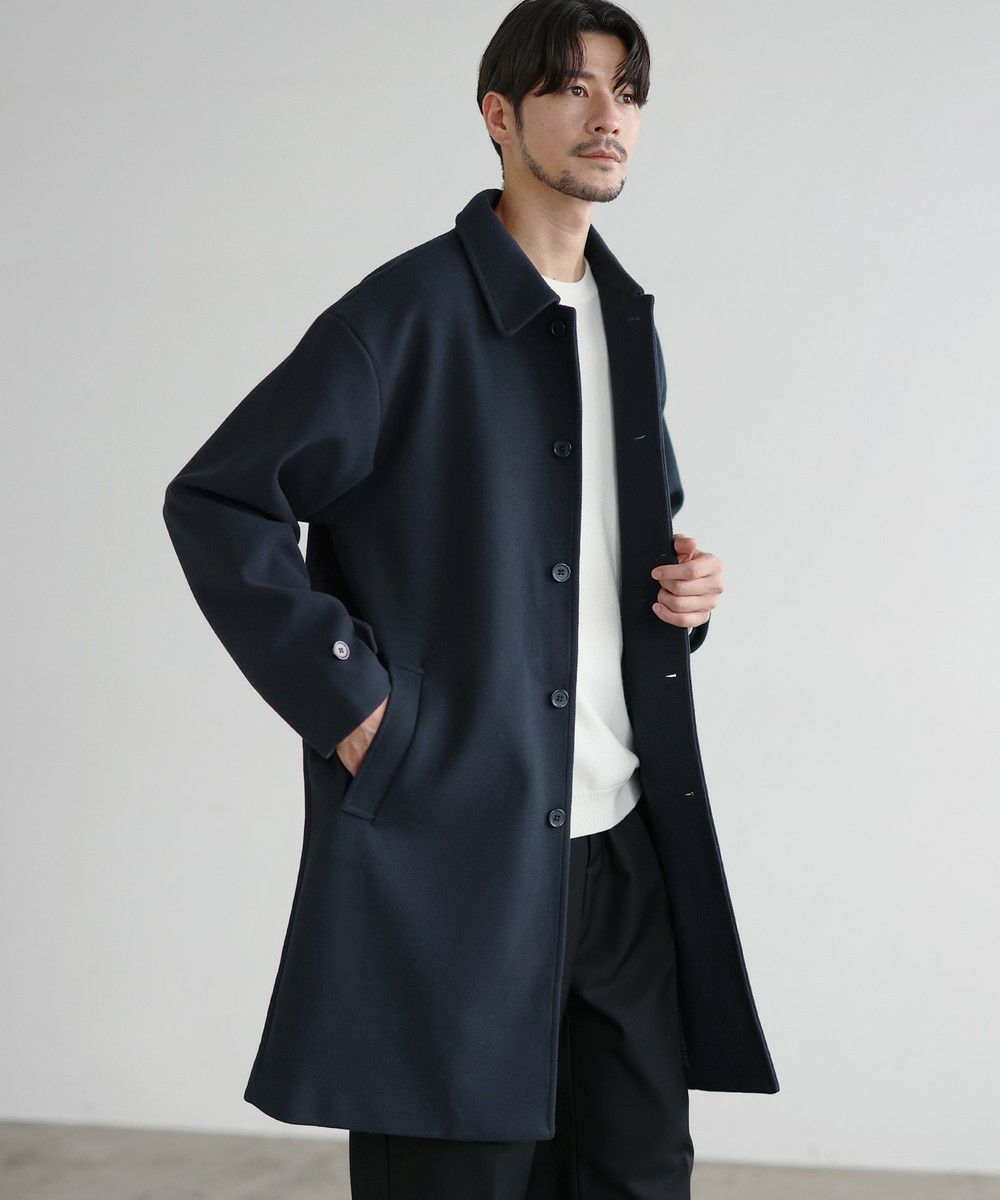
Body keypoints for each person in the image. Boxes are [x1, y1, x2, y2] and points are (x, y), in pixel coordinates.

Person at [163, 1, 779, 1196]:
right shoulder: (401, 318)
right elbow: (220, 500)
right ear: (499, 116)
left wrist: (684, 597)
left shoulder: (626, 325)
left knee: (638, 1176)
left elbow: (602, 558)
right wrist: (353, 707)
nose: (607, 118)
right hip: (456, 845)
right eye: (571, 89)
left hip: (623, 848)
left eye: (626, 94)